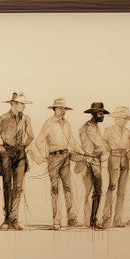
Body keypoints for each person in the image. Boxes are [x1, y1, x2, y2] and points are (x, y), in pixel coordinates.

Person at [35, 98, 84, 229]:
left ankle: (71, 218)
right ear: (55, 109)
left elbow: (72, 140)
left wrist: (83, 152)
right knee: (55, 188)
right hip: (54, 157)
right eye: (60, 109)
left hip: (66, 156)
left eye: (64, 109)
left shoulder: (67, 123)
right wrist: (45, 154)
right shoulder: (49, 123)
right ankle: (56, 219)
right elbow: (39, 141)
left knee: (68, 187)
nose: (63, 111)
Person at [0, 92, 34, 230]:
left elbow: (31, 136)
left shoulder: (26, 119)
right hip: (6, 154)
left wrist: (23, 145)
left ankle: (13, 219)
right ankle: (7, 219)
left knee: (18, 188)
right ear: (14, 104)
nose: (24, 107)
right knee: (7, 186)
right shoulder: (3, 118)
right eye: (22, 104)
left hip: (20, 155)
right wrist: (0, 147)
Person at [78, 102, 109, 229]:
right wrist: (104, 150)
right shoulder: (90, 128)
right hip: (92, 161)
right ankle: (92, 220)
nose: (102, 116)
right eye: (100, 113)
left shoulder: (91, 126)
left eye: (102, 113)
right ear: (94, 114)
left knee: (91, 191)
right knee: (97, 191)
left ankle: (90, 220)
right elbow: (100, 146)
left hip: (90, 160)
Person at [102, 106, 130, 228]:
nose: (123, 121)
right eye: (121, 118)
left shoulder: (128, 132)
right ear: (116, 119)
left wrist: (128, 154)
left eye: (125, 119)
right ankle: (106, 218)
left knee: (122, 190)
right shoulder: (109, 130)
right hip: (113, 157)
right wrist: (110, 152)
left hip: (125, 158)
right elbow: (104, 143)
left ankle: (117, 219)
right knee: (112, 187)